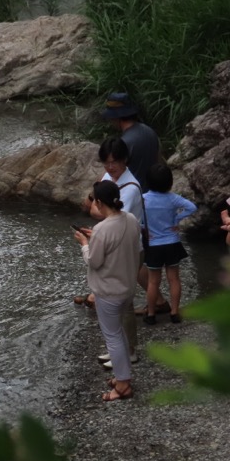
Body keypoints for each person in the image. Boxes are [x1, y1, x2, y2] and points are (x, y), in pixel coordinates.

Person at [74, 181, 142, 401]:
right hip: (127, 287)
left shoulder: (102, 228)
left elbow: (93, 261)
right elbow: (119, 246)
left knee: (112, 336)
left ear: (99, 203)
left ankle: (123, 385)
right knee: (118, 333)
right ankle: (122, 376)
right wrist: (95, 239)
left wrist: (85, 243)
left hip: (109, 292)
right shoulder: (130, 219)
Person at [142, 164, 197, 324]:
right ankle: (174, 312)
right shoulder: (173, 198)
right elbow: (192, 207)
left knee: (153, 281)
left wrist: (144, 228)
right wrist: (177, 219)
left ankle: (151, 314)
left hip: (153, 244)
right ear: (169, 182)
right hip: (172, 242)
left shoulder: (143, 199)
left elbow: (137, 218)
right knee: (174, 279)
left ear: (148, 182)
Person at [100, 92, 162, 193]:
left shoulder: (123, 143)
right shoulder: (149, 131)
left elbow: (114, 175)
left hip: (134, 194)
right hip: (153, 191)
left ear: (116, 118)